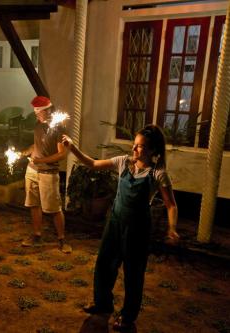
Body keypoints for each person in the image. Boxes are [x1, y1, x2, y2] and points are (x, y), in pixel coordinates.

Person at [62, 124, 179, 332]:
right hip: (115, 223)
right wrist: (72, 148)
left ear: (152, 150)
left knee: (133, 274)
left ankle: (127, 316)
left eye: (140, 146)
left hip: (138, 230)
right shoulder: (123, 163)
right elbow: (93, 163)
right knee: (104, 265)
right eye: (134, 144)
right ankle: (102, 304)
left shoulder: (158, 174)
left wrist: (172, 228)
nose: (134, 149)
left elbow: (171, 205)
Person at [20, 96, 72, 253]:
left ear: (48, 110)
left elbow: (61, 154)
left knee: (54, 208)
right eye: (35, 111)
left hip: (48, 173)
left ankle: (62, 240)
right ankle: (36, 236)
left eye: (39, 112)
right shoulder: (38, 125)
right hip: (32, 171)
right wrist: (26, 151)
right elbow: (37, 144)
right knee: (34, 205)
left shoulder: (58, 128)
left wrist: (41, 160)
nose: (36, 114)